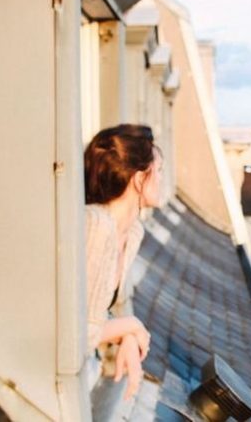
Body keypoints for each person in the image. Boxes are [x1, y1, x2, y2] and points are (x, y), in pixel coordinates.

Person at [83, 124, 163, 400]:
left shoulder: (132, 232)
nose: (162, 179)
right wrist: (131, 327)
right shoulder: (95, 225)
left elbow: (96, 313)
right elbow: (77, 330)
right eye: (158, 171)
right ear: (139, 178)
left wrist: (125, 336)